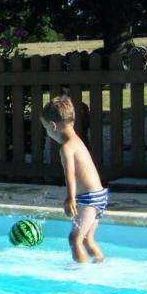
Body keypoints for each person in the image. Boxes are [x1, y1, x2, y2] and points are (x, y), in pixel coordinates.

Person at [41, 95, 107, 262]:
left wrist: (70, 198)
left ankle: (81, 274)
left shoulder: (66, 147)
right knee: (87, 240)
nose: (47, 133)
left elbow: (69, 173)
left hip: (88, 199)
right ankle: (100, 264)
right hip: (99, 196)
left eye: (46, 130)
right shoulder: (77, 140)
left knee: (74, 240)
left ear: (52, 126)